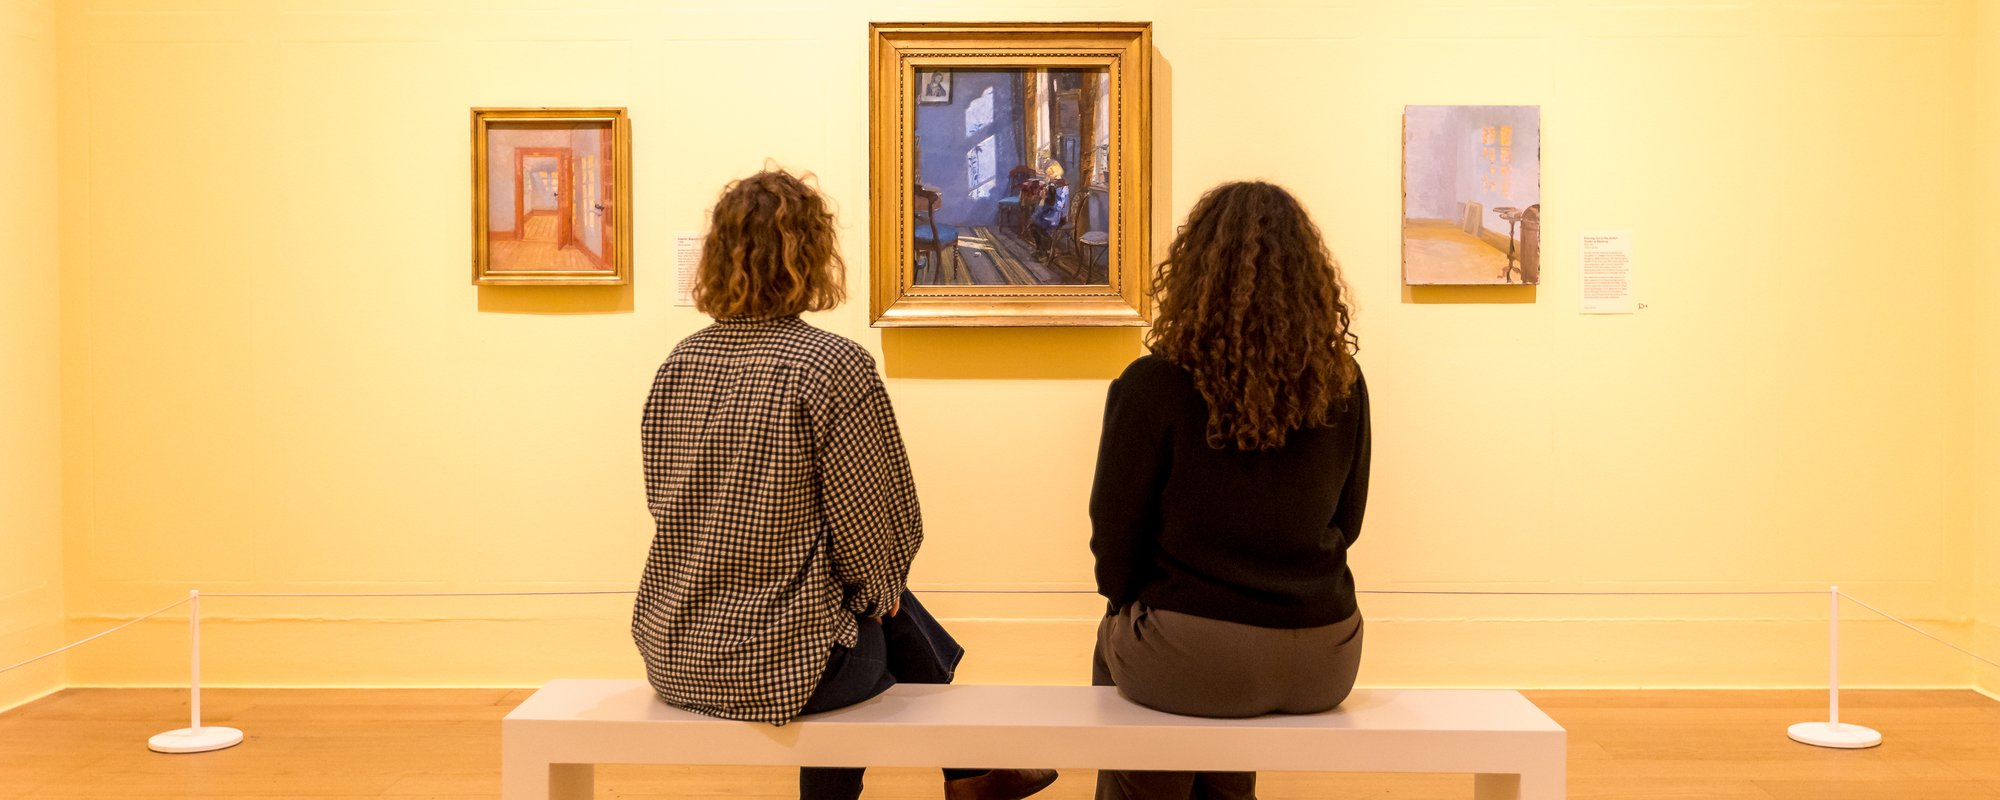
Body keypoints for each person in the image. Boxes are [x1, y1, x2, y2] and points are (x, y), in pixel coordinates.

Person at [633, 168, 1058, 800]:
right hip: (775, 667)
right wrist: (882, 590)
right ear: (812, 255)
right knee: (870, 620)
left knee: (856, 609)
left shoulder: (679, 364)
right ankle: (970, 773)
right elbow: (872, 528)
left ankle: (975, 771)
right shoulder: (831, 365)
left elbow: (663, 503)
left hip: (675, 652)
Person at [1087, 181, 1370, 800]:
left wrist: (1130, 604)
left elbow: (1115, 540)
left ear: (1191, 274)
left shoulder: (1153, 384)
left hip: (1196, 656)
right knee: (1202, 677)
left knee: (1113, 639)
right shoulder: (1342, 383)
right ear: (1310, 278)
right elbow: (1349, 521)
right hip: (1327, 655)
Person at [1027, 160, 1070, 261]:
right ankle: (1040, 250)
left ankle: (1044, 251)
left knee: (1035, 224)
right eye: (1047, 172)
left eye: (1050, 172)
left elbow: (1057, 205)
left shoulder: (1059, 186)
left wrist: (1044, 198)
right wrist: (1045, 196)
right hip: (1055, 213)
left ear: (1055, 171)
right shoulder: (1056, 183)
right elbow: (1052, 201)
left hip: (1056, 216)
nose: (1048, 174)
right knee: (1034, 222)